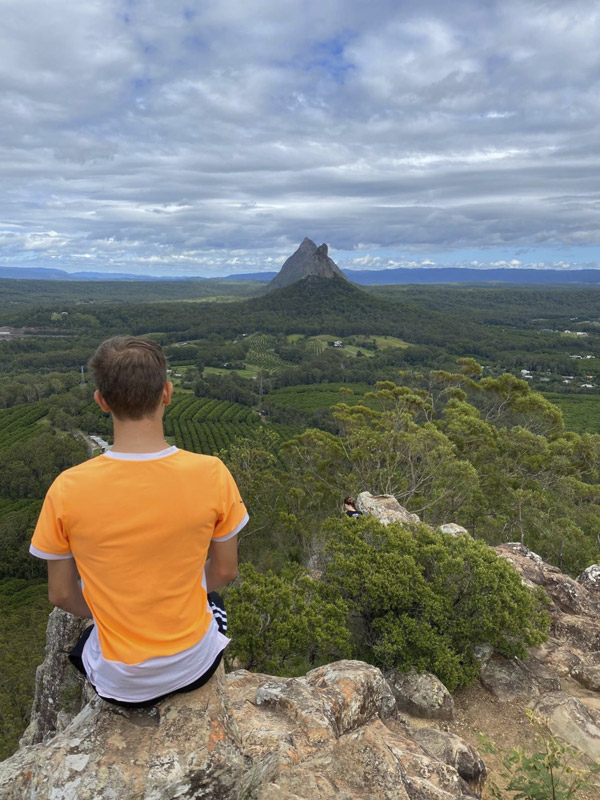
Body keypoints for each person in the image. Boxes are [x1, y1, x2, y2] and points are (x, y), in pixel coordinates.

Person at [29, 336, 248, 708]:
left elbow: (61, 594)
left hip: (122, 684)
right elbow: (225, 571)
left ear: (101, 401)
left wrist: (111, 612)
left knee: (86, 643)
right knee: (216, 606)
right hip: (194, 666)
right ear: (167, 393)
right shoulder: (212, 473)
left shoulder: (67, 488)